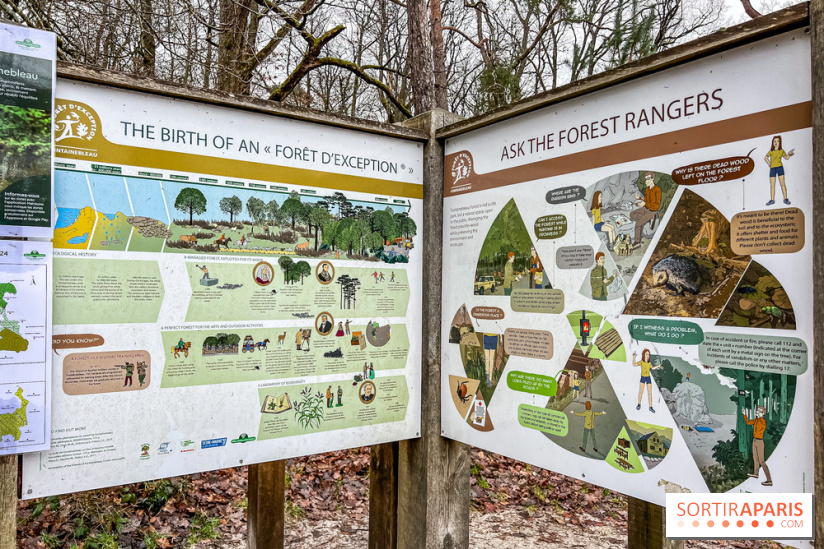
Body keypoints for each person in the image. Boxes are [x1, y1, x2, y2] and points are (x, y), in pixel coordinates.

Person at [630, 172, 661, 248]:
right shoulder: (647, 190)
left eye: (648, 179)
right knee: (632, 214)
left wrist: (644, 204)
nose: (646, 181)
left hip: (652, 211)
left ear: (652, 179)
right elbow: (646, 201)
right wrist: (639, 199)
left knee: (638, 224)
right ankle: (649, 219)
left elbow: (657, 206)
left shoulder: (657, 190)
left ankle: (637, 242)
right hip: (646, 209)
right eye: (645, 179)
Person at [743, 406, 773, 486]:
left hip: (759, 441)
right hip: (755, 441)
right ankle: (756, 473)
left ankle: (769, 480)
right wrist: (744, 414)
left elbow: (761, 423)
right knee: (755, 458)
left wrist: (759, 415)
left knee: (762, 461)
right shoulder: (756, 420)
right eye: (757, 410)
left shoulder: (763, 421)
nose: (756, 411)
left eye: (759, 410)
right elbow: (748, 422)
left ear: (763, 413)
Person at [764, 135, 794, 206]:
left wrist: (789, 154)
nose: (776, 143)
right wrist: (770, 164)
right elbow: (765, 158)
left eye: (777, 141)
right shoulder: (771, 151)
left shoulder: (781, 151)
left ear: (780, 142)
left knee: (782, 183)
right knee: (772, 185)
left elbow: (786, 157)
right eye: (774, 141)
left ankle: (785, 198)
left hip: (780, 168)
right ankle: (772, 200)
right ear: (772, 143)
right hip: (772, 169)